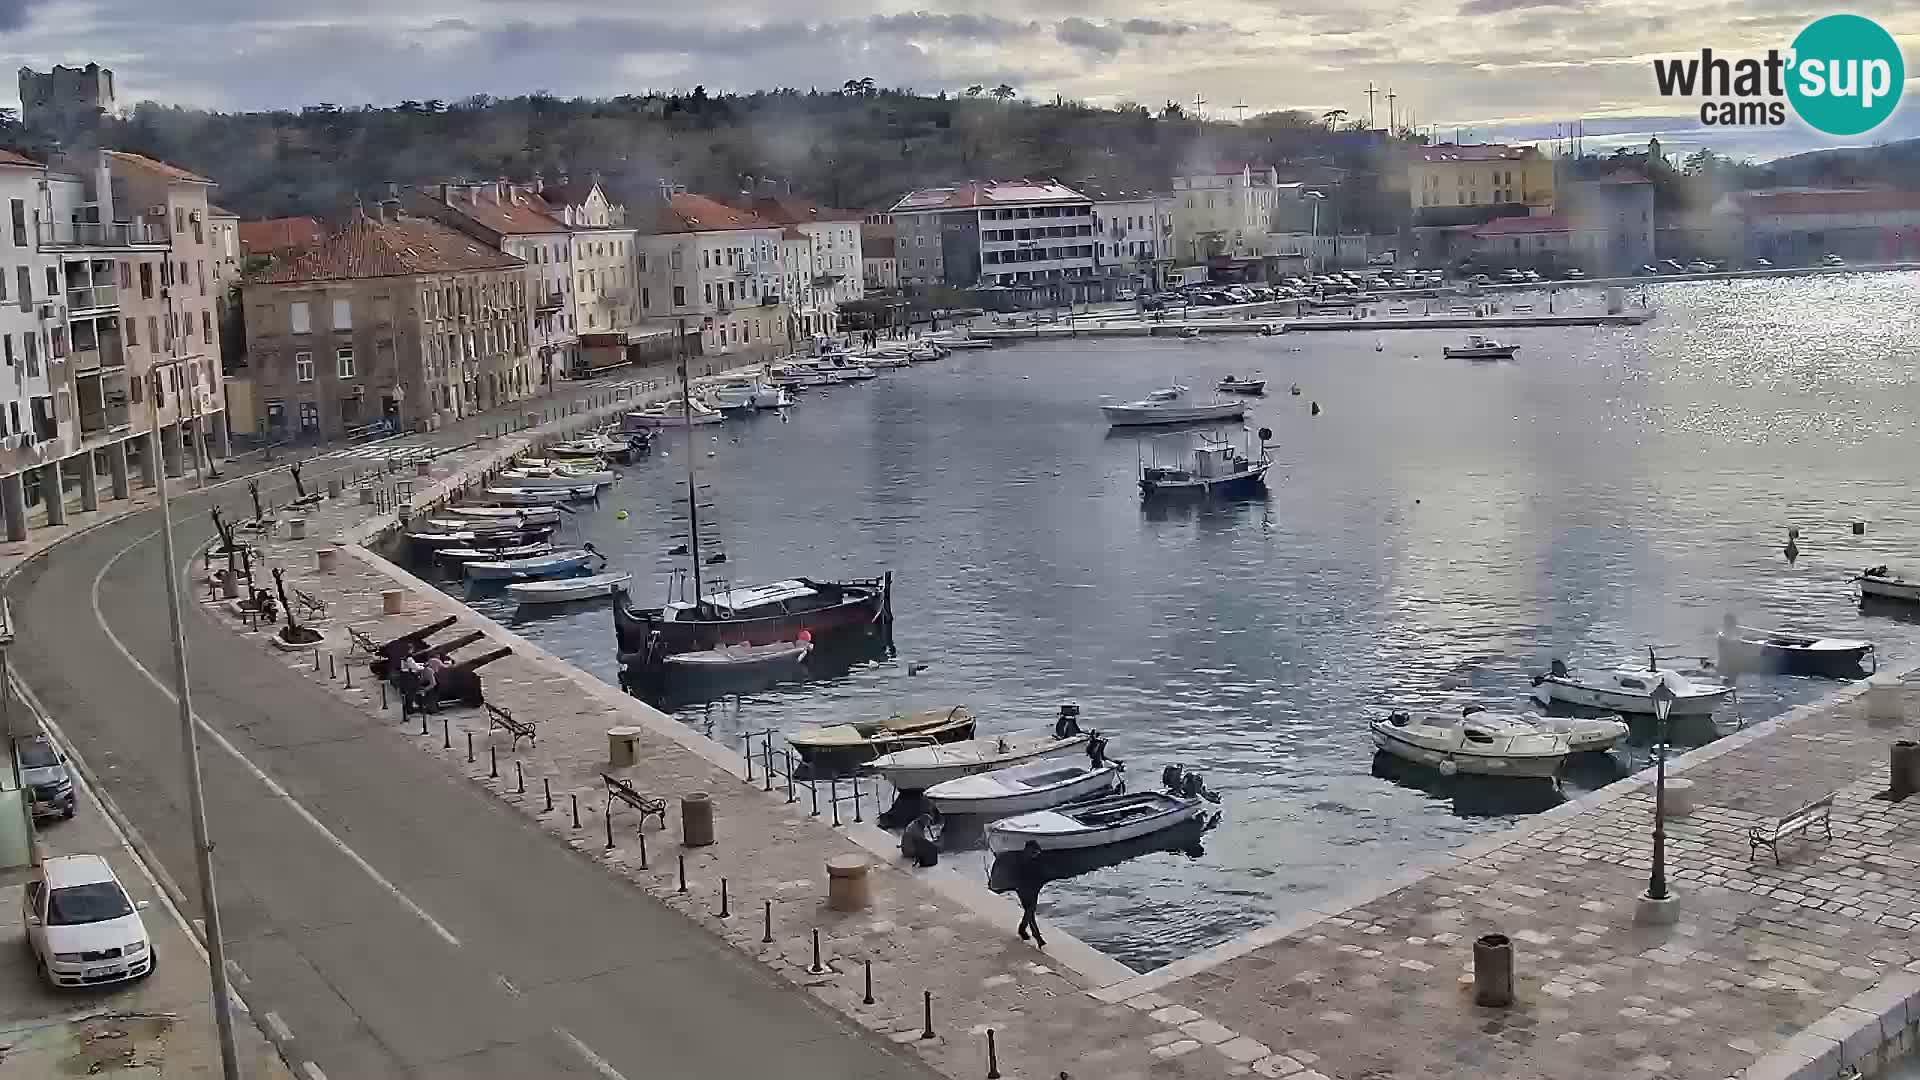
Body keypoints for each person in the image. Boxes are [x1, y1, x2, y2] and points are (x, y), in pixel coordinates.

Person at [1013, 840, 1046, 947]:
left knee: (1030, 911)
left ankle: (1023, 930)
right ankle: (1036, 936)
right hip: (1024, 889)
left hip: (1031, 889)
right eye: (1034, 852)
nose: (1036, 853)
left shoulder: (1031, 859)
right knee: (1030, 911)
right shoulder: (1024, 861)